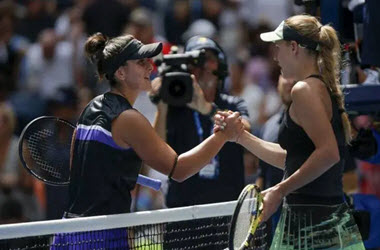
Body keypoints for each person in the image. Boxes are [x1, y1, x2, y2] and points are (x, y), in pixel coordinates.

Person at [53, 32, 243, 249]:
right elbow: (179, 169)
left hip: (68, 233)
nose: (150, 68)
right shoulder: (129, 119)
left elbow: (80, 169)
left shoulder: (90, 108)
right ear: (121, 72)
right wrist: (222, 135)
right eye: (141, 62)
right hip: (100, 237)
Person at [215, 14, 365, 249]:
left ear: (293, 47)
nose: (275, 57)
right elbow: (296, 160)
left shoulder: (304, 90)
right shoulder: (318, 88)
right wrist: (241, 137)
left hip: (312, 225)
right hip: (326, 219)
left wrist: (279, 190)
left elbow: (328, 154)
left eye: (278, 47)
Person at [151, 35, 250, 208]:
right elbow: (155, 150)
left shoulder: (232, 104)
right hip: (183, 212)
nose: (203, 66)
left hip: (227, 210)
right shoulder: (175, 108)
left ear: (221, 66)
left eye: (209, 59)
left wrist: (207, 109)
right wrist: (162, 105)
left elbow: (246, 132)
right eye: (195, 61)